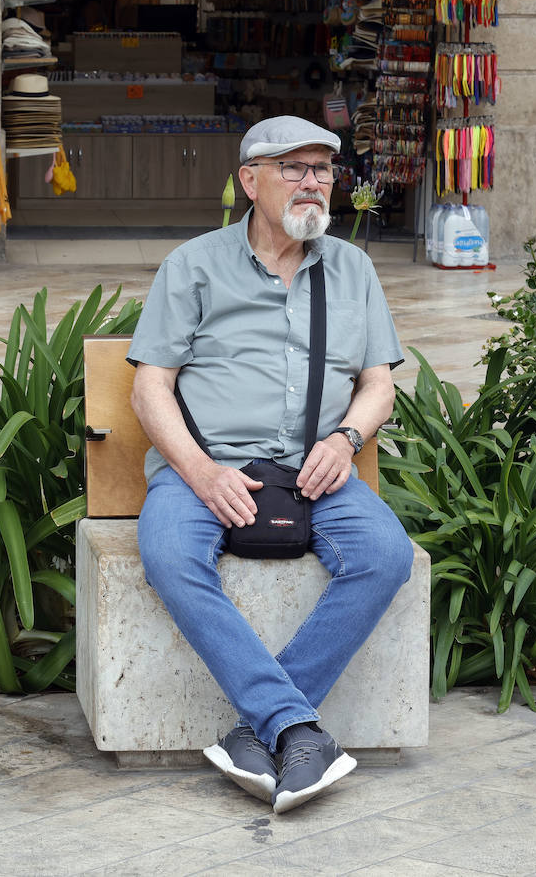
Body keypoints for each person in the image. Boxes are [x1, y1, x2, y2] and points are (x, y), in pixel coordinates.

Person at [126, 116, 412, 814]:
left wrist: (346, 439)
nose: (313, 182)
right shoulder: (192, 267)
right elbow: (148, 386)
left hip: (318, 467)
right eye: (294, 168)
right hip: (208, 465)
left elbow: (380, 383)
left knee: (385, 553)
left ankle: (264, 728)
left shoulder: (353, 269)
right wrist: (201, 473)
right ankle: (298, 729)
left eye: (323, 169)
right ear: (249, 181)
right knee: (166, 551)